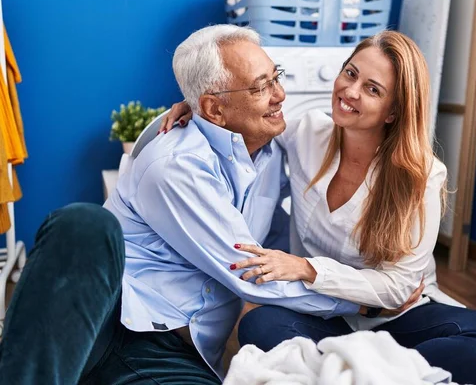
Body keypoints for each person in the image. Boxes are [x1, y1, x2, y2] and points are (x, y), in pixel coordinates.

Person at [0, 25, 418, 385]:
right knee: (85, 223)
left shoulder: (270, 152)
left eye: (276, 77)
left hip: (175, 353)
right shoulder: (176, 164)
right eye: (261, 87)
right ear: (215, 109)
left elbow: (274, 246)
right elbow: (251, 274)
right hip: (109, 324)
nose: (280, 94)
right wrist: (365, 301)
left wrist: (364, 284)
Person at [164, 30, 476, 385]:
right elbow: (249, 118)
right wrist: (201, 109)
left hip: (396, 317)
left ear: (393, 111)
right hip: (321, 316)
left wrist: (307, 268)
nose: (349, 91)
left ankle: (346, 372)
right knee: (260, 326)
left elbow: (398, 289)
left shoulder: (423, 176)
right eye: (350, 73)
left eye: (372, 89)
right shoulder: (307, 132)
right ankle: (385, 375)